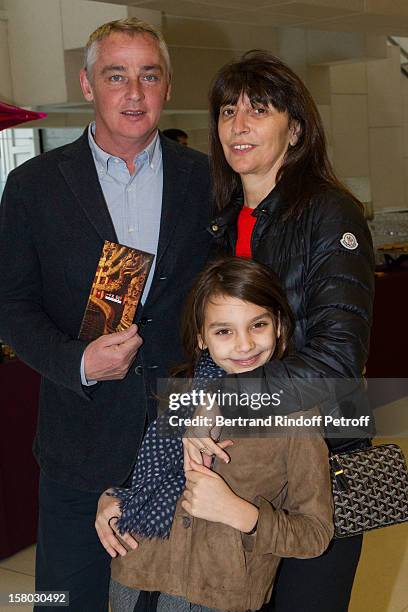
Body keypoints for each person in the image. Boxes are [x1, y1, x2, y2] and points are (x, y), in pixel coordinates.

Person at [0, 17, 212, 611]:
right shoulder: (33, 185)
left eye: (149, 75)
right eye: (116, 76)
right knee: (69, 601)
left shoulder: (207, 180)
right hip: (80, 445)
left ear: (168, 86)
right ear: (88, 84)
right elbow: (11, 303)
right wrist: (78, 361)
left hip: (183, 445)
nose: (135, 92)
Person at [183, 51, 375, 612]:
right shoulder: (220, 226)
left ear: (295, 130)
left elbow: (339, 359)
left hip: (321, 459)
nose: (237, 126)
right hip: (240, 466)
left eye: (258, 111)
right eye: (226, 112)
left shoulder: (329, 213)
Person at [105, 256, 334, 612]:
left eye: (257, 325)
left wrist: (242, 514)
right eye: (224, 331)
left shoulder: (295, 413)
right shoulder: (182, 392)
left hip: (216, 595)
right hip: (135, 574)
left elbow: (316, 533)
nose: (243, 345)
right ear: (201, 337)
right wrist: (112, 499)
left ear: (278, 327)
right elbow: (148, 477)